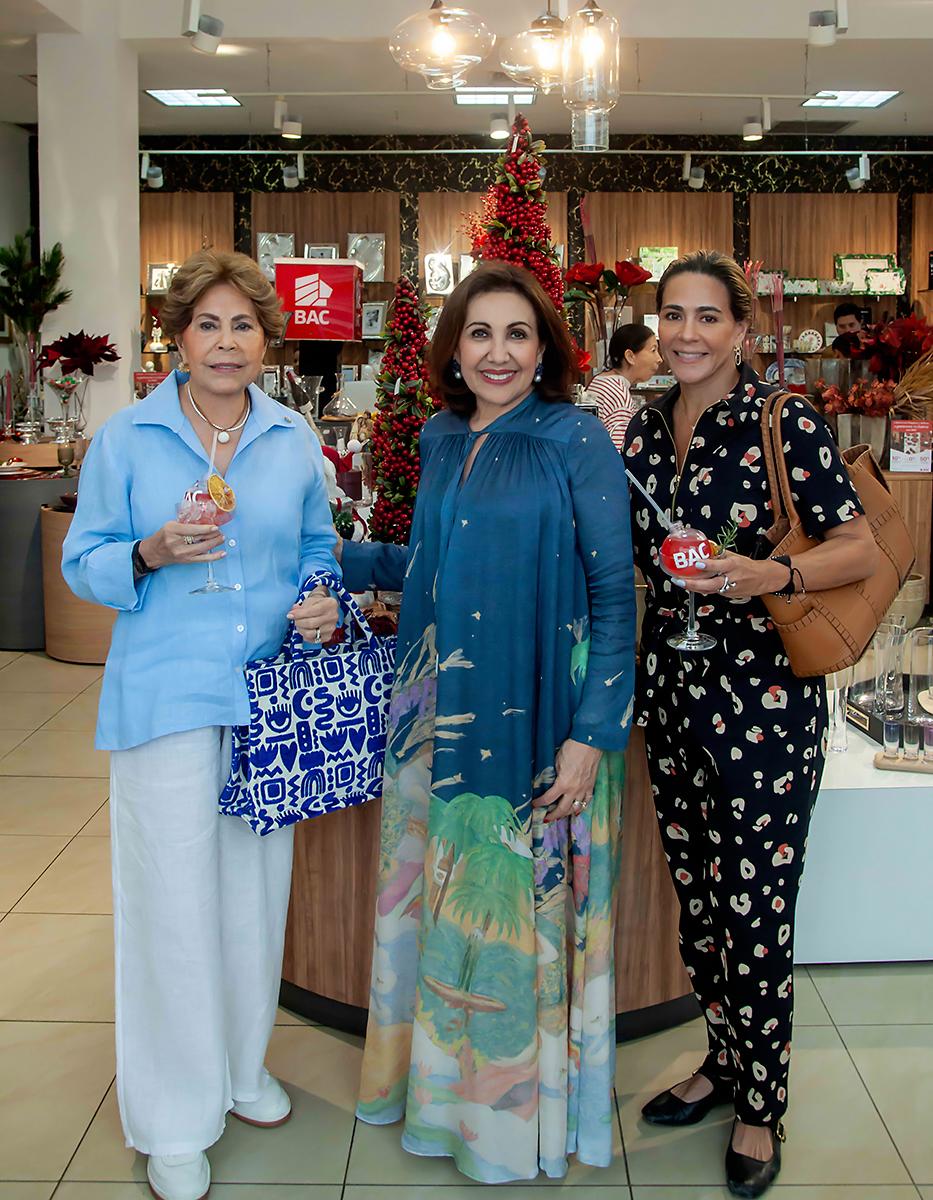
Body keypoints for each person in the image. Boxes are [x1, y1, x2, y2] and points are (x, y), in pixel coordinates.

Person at [341, 261, 636, 1183]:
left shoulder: (574, 437)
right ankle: (440, 1103)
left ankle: (517, 1124)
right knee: (443, 913)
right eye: (479, 333)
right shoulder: (436, 435)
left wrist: (592, 735)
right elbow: (429, 554)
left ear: (544, 346)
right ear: (454, 348)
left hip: (542, 721)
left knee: (515, 920)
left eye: (517, 334)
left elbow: (616, 595)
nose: (498, 352)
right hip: (437, 719)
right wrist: (328, 555)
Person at [62, 249, 340, 1200]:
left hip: (267, 697)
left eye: (244, 326)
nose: (226, 344)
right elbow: (83, 560)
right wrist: (143, 551)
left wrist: (321, 595)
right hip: (165, 699)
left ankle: (237, 1066)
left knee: (255, 896)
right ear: (176, 337)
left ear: (267, 339)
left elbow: (317, 544)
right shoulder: (127, 438)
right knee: (171, 906)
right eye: (208, 325)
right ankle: (176, 1116)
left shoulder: (291, 437)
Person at [623, 251, 877, 1198]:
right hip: (674, 697)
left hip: (763, 705)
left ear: (740, 329)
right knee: (699, 903)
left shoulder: (783, 420)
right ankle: (721, 1062)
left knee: (757, 909)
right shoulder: (645, 432)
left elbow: (854, 543)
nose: (687, 334)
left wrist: (773, 574)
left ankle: (762, 1104)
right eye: (672, 316)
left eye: (706, 317)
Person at [586, 323, 662, 451]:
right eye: (653, 350)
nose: (659, 359)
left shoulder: (601, 380)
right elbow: (620, 452)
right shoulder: (618, 392)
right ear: (630, 357)